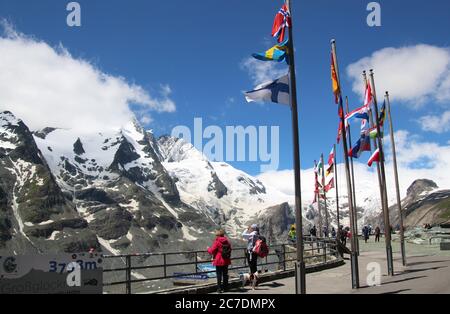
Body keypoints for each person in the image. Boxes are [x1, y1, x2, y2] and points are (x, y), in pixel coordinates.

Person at [207, 229, 232, 293]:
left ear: (218, 235)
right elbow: (230, 249)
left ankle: (219, 289)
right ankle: (226, 288)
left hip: (219, 260)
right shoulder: (227, 241)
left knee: (219, 275)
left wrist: (208, 249)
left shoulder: (217, 241)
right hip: (226, 260)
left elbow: (212, 251)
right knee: (225, 274)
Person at [242, 224, 260, 289]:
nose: (250, 229)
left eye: (251, 228)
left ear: (253, 229)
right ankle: (255, 282)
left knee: (252, 268)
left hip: (251, 253)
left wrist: (247, 229)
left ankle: (253, 282)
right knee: (254, 267)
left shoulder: (253, 234)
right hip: (254, 253)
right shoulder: (257, 234)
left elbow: (243, 235)